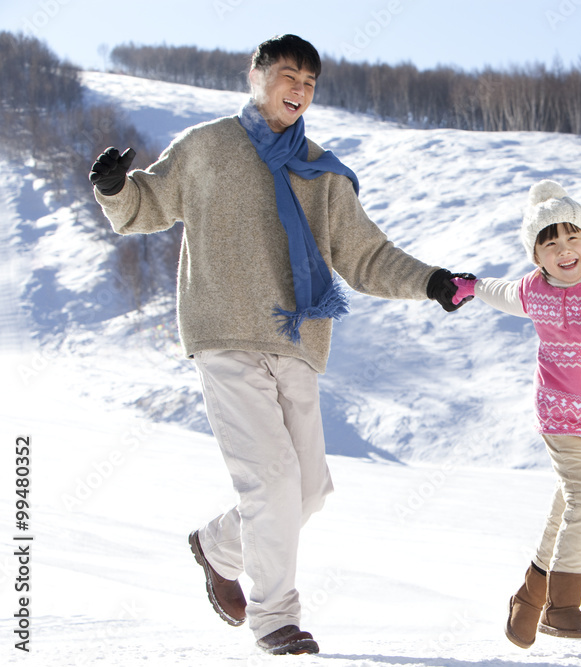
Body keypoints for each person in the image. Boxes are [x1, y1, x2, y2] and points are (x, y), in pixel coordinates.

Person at [89, 34, 472, 656]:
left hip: (296, 343)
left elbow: (365, 255)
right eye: (288, 75)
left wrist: (429, 281)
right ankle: (277, 620)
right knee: (270, 483)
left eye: (310, 83)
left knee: (308, 491)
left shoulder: (320, 171)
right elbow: (147, 206)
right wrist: (115, 188)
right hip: (225, 337)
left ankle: (216, 545)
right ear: (258, 75)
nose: (299, 90)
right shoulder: (207, 147)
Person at [450, 179, 581, 648]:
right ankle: (562, 607)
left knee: (569, 504)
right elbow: (500, 291)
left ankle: (529, 594)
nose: (564, 250)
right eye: (550, 243)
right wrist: (472, 287)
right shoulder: (533, 290)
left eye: (572, 238)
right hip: (562, 418)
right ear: (536, 256)